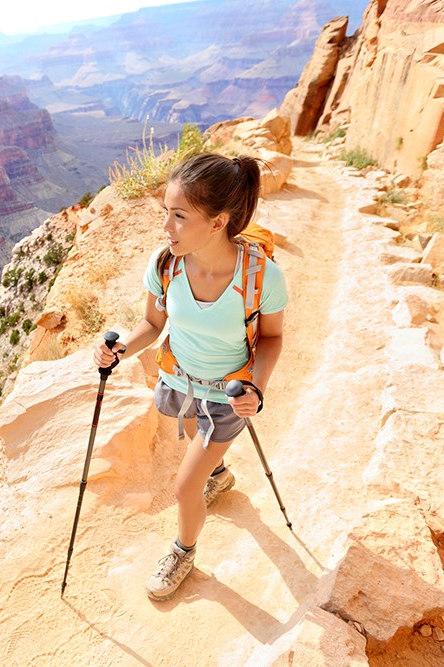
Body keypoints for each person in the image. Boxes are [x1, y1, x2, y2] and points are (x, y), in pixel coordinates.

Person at [93, 152, 287, 601]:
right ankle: (218, 473)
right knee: (195, 447)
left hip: (228, 396)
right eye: (166, 213)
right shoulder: (166, 264)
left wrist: (257, 387)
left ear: (219, 221)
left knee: (184, 487)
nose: (166, 227)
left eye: (179, 216)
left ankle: (184, 550)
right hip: (179, 383)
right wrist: (120, 349)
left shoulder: (263, 278)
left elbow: (272, 340)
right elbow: (153, 324)